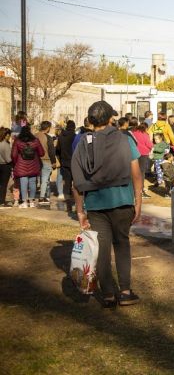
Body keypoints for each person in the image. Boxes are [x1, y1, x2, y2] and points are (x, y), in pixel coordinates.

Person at [72, 100, 143, 307]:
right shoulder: (125, 139)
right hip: (122, 201)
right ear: (111, 118)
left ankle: (109, 294)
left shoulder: (83, 142)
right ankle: (126, 291)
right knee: (122, 245)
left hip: (95, 204)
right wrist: (137, 201)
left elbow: (76, 182)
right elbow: (136, 173)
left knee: (102, 249)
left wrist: (80, 212)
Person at [12, 125, 45, 208]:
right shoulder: (35, 141)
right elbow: (42, 153)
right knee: (33, 183)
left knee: (23, 183)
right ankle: (32, 202)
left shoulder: (17, 141)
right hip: (34, 165)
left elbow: (14, 155)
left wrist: (16, 163)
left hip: (21, 165)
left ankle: (24, 202)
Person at [56, 120, 77, 210]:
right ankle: (76, 199)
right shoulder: (75, 136)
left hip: (64, 161)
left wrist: (60, 158)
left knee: (67, 181)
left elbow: (57, 150)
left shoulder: (61, 136)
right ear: (74, 127)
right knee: (75, 180)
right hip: (74, 161)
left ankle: (67, 198)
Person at [36, 121, 57, 205]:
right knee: (45, 180)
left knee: (40, 179)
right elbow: (51, 151)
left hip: (36, 161)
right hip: (46, 160)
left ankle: (45, 196)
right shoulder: (48, 138)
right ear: (48, 128)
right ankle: (42, 197)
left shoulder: (35, 136)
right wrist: (54, 162)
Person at [0, 128, 12, 207]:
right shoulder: (5, 144)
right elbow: (8, 159)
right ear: (6, 135)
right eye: (9, 135)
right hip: (5, 166)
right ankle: (2, 202)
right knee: (4, 185)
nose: (9, 137)